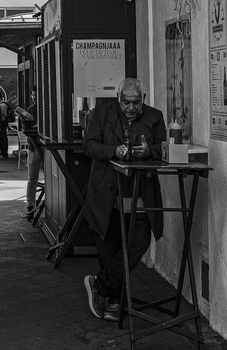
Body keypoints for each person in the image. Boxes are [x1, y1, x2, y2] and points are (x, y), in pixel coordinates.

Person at [83, 77, 166, 323]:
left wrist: (149, 150)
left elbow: (165, 144)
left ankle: (98, 284)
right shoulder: (101, 113)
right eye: (126, 102)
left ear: (144, 101)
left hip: (141, 192)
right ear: (118, 99)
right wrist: (114, 151)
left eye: (136, 103)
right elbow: (89, 145)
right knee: (109, 248)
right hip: (108, 193)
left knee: (138, 243)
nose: (131, 108)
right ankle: (115, 302)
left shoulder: (155, 116)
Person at [19, 88, 43, 216]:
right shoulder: (30, 110)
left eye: (36, 95)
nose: (34, 98)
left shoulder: (50, 109)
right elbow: (25, 128)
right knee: (32, 177)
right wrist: (24, 121)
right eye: (33, 95)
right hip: (34, 146)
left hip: (47, 148)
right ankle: (30, 204)